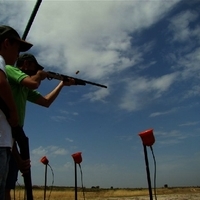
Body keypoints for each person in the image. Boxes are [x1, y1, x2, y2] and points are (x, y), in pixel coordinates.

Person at [5, 53, 75, 200]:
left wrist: (61, 83)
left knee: (7, 187)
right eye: (33, 67)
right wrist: (40, 75)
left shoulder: (24, 88)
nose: (35, 70)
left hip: (14, 133)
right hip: (5, 130)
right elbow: (34, 83)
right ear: (24, 64)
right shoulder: (10, 69)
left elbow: (46, 102)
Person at [0, 25, 32, 200]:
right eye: (17, 49)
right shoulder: (0, 61)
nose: (18, 55)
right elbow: (1, 83)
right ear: (6, 43)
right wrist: (13, 112)